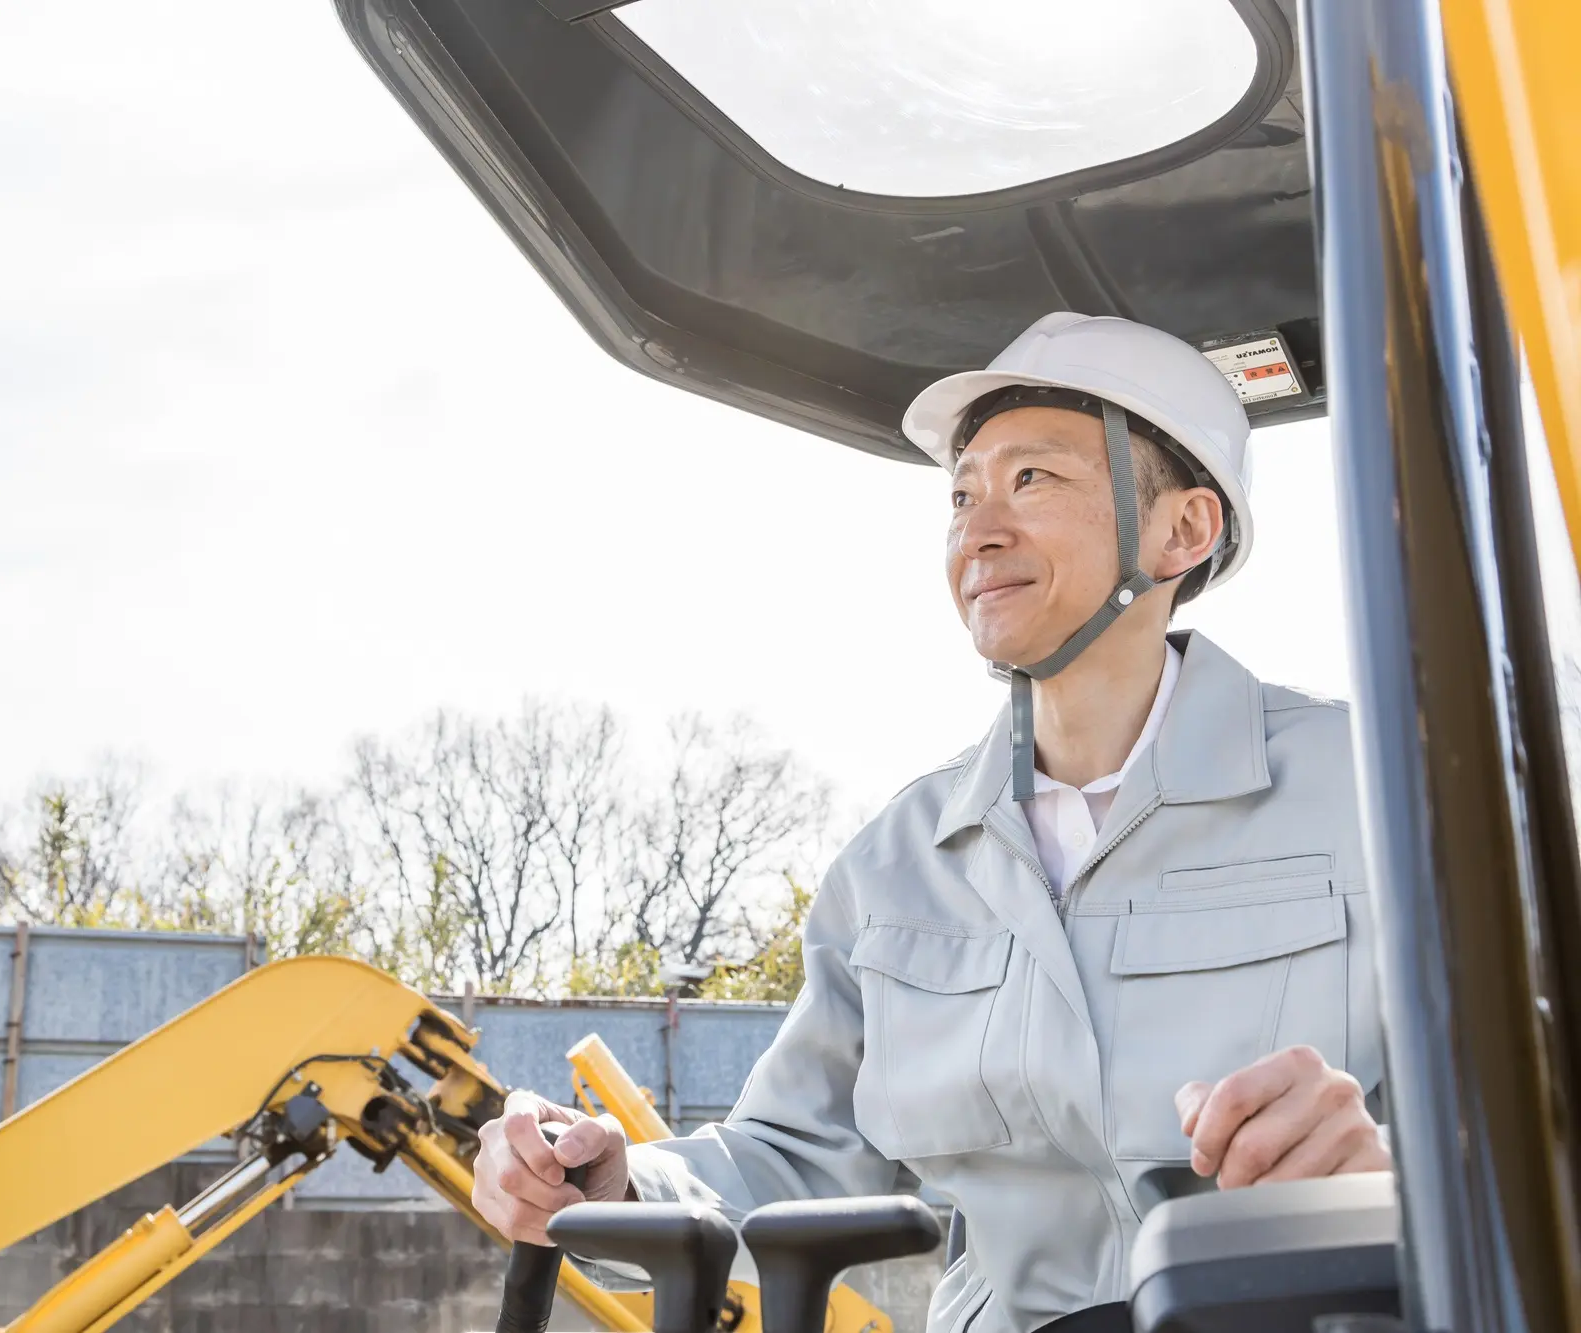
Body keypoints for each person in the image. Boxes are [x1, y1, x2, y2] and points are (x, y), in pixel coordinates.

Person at [469, 313, 1391, 1333]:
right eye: (962, 494)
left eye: (1031, 481)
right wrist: (617, 1181)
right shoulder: (899, 864)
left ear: (1183, 530)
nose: (976, 531)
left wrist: (1396, 1179)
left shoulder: (1385, 794)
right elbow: (793, 1153)